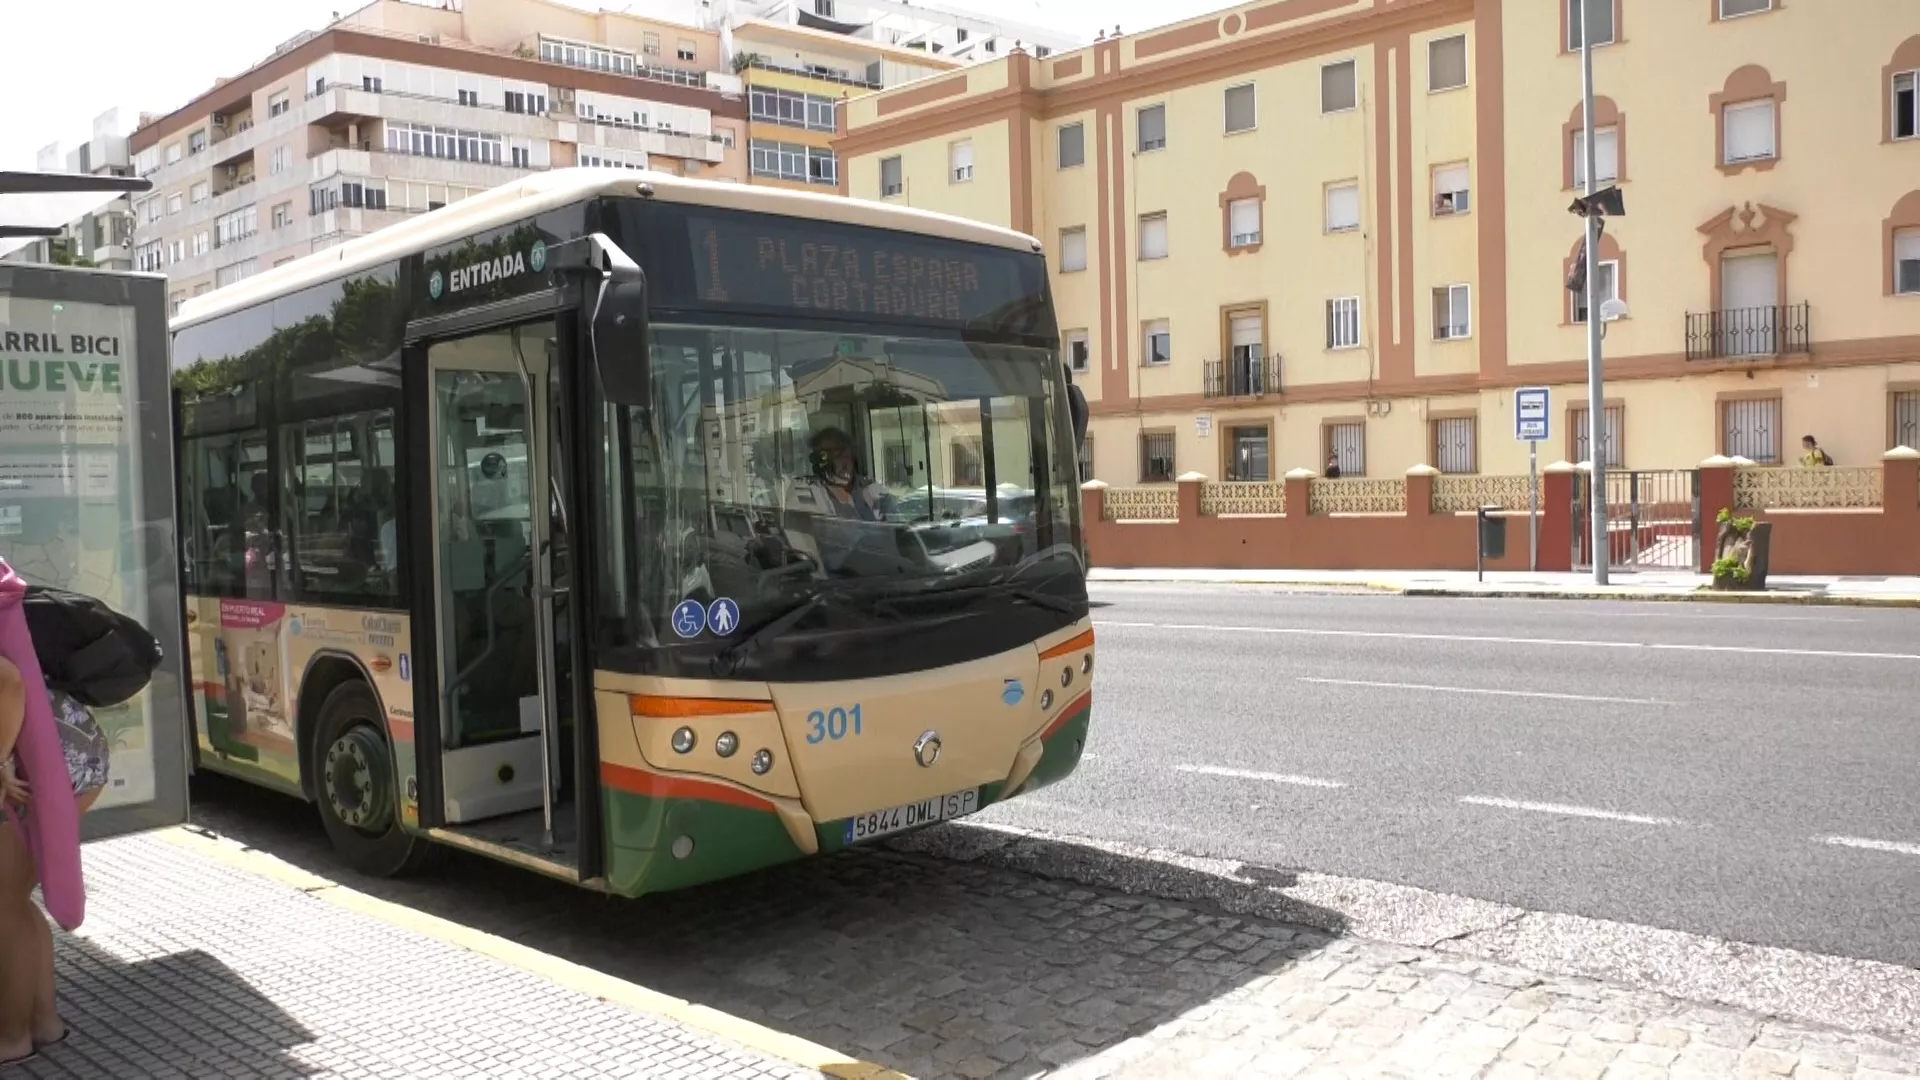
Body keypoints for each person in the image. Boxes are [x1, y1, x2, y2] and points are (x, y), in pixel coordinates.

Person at [0, 657, 108, 1066]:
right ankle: (44, 1024)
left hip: (49, 763)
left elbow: (7, 680)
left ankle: (11, 1038)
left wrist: (1, 761)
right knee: (13, 897)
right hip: (61, 754)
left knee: (3, 903)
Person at [798, 427, 893, 522]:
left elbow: (897, 529)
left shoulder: (876, 492)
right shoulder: (806, 492)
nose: (845, 464)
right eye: (837, 458)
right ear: (819, 461)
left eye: (847, 456)